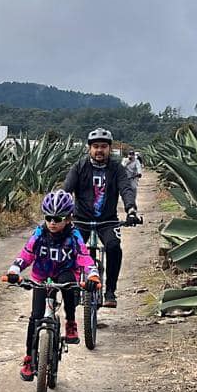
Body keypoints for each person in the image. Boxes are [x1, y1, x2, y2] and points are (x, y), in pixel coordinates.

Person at [5, 190, 99, 380]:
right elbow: (27, 254)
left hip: (65, 272)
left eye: (58, 218)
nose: (52, 223)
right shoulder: (39, 233)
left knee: (68, 286)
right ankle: (29, 358)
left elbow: (84, 257)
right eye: (48, 218)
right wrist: (14, 270)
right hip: (42, 276)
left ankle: (71, 322)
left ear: (68, 218)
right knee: (35, 317)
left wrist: (93, 275)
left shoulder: (74, 235)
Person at [63, 128, 140, 308]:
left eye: (103, 146)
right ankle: (73, 287)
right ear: (89, 148)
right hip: (81, 219)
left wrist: (131, 209)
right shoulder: (79, 167)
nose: (99, 150)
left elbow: (126, 188)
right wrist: (61, 211)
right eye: (95, 146)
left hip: (108, 220)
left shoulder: (117, 169)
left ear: (109, 148)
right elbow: (67, 190)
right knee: (70, 249)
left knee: (113, 247)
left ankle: (110, 290)